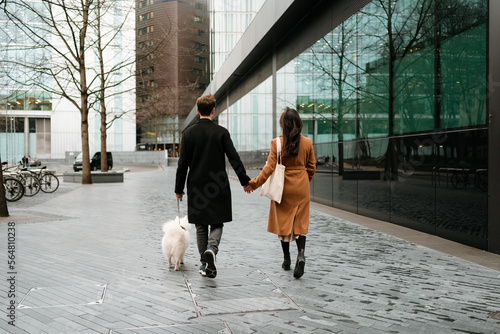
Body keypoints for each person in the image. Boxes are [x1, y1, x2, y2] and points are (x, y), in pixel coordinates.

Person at [175, 94, 250, 279]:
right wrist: (245, 181)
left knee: (201, 225)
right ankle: (212, 249)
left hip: (196, 186)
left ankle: (204, 263)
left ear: (198, 110)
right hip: (218, 184)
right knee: (217, 222)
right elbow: (234, 158)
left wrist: (178, 189)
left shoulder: (188, 134)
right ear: (213, 110)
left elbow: (182, 164)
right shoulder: (221, 132)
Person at [244, 107, 315, 278]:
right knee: (300, 222)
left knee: (283, 222)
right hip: (302, 185)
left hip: (284, 187)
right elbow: (312, 167)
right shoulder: (307, 142)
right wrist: (305, 180)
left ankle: (287, 259)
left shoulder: (277, 143)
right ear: (298, 123)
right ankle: (301, 253)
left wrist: (253, 184)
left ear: (283, 125)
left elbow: (269, 169)